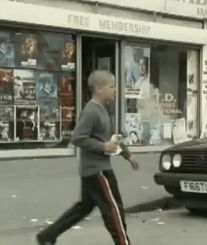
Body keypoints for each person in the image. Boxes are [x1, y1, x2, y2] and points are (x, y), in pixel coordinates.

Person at [36, 70, 139, 245]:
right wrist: (102, 147)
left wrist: (127, 155)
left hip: (93, 170)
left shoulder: (104, 110)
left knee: (83, 208)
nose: (115, 90)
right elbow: (77, 137)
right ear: (99, 89)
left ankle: (47, 235)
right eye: (112, 86)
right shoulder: (91, 111)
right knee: (113, 211)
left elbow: (111, 137)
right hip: (98, 171)